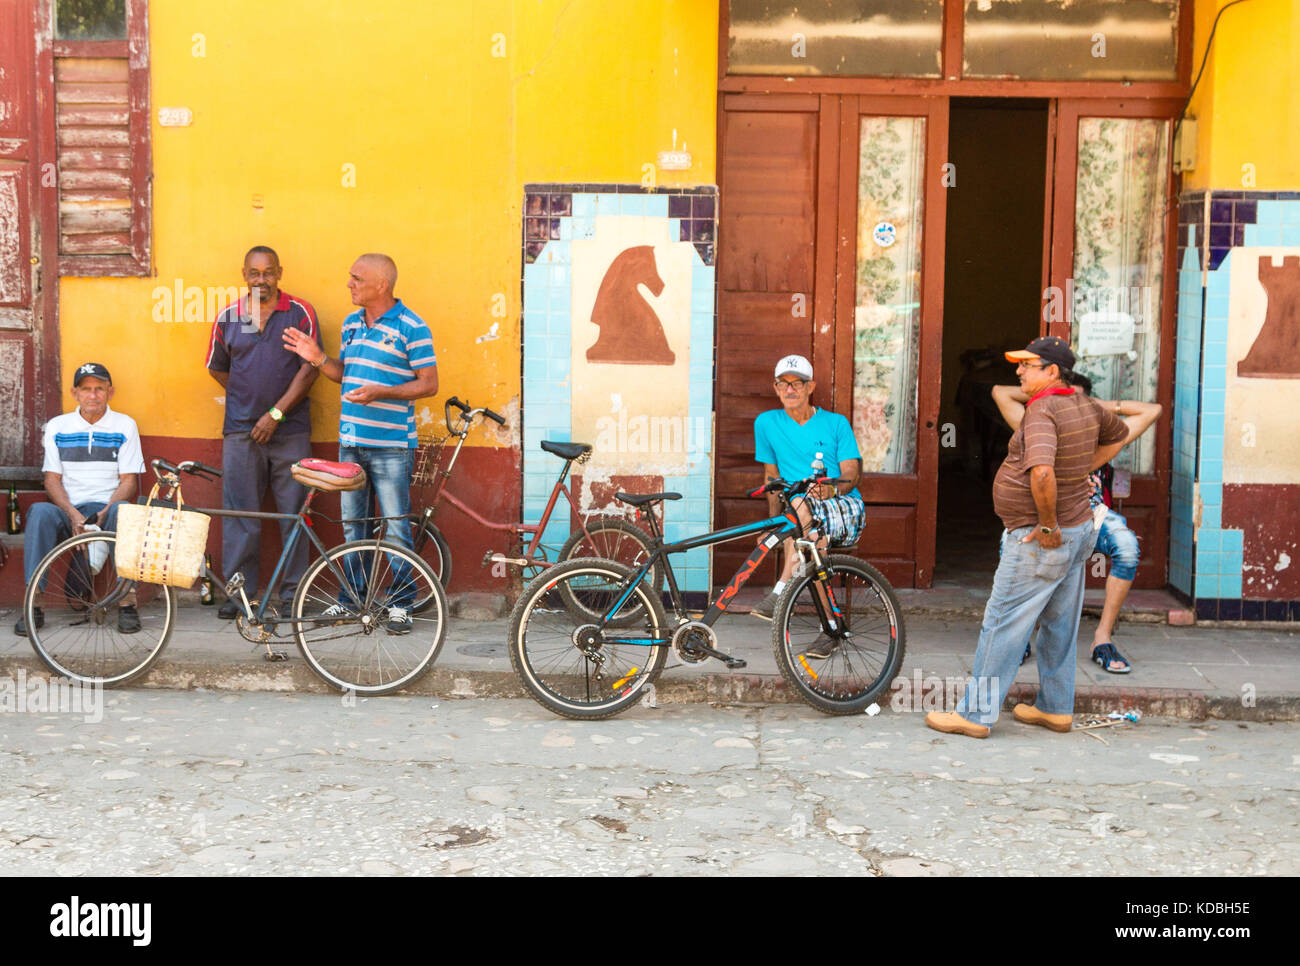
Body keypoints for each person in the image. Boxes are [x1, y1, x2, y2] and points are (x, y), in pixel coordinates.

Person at [925, 336, 1128, 739]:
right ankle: (1055, 708)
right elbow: (1120, 434)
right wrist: (1079, 471)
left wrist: (1048, 525)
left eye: (1026, 365)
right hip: (1078, 529)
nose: (1018, 371)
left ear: (1052, 371)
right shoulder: (1085, 404)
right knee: (1059, 624)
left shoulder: (1042, 411)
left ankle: (975, 715)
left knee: (1001, 623)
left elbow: (1042, 472)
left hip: (1044, 537)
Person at [282, 253, 437, 633]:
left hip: (391, 446)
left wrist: (382, 392)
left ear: (381, 285)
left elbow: (429, 384)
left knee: (395, 527)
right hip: (350, 442)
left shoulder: (412, 326)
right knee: (354, 527)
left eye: (356, 278)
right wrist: (318, 358)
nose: (349, 284)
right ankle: (352, 599)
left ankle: (401, 604)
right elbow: (344, 374)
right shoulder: (351, 324)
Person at [991, 378, 1162, 674]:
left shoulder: (1102, 437)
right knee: (1011, 543)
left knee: (1126, 546)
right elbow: (1000, 391)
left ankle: (1102, 638)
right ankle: (1019, 638)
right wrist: (1050, 398)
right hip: (1042, 512)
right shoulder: (1036, 426)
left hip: (1091, 513)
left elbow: (1152, 410)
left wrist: (1097, 407)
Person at [205, 246, 322, 619]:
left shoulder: (300, 312)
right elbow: (217, 367)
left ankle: (293, 595)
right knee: (240, 516)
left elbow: (311, 369)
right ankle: (240, 595)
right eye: (254, 273)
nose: (261, 280)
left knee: (294, 515)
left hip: (291, 431)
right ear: (244, 274)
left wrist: (275, 413)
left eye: (268, 272)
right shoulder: (229, 317)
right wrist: (247, 400)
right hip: (241, 432)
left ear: (279, 273)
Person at [15, 363, 144, 635]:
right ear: (75, 393)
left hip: (107, 509)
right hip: (69, 511)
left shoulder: (125, 425)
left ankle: (128, 604)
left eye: (99, 389)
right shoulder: (58, 426)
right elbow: (52, 479)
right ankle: (33, 604)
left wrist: (104, 512)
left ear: (110, 392)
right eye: (86, 389)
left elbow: (128, 481)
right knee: (39, 512)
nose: (93, 395)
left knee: (125, 511)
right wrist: (73, 515)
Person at [750, 354, 865, 658]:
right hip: (800, 514)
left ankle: (780, 590)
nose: (790, 389)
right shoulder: (766, 423)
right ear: (776, 388)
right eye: (783, 384)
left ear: (810, 387)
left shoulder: (836, 423)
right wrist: (772, 524)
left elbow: (851, 473)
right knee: (811, 540)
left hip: (842, 506)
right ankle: (831, 630)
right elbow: (772, 477)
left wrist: (831, 489)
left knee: (801, 512)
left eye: (797, 383)